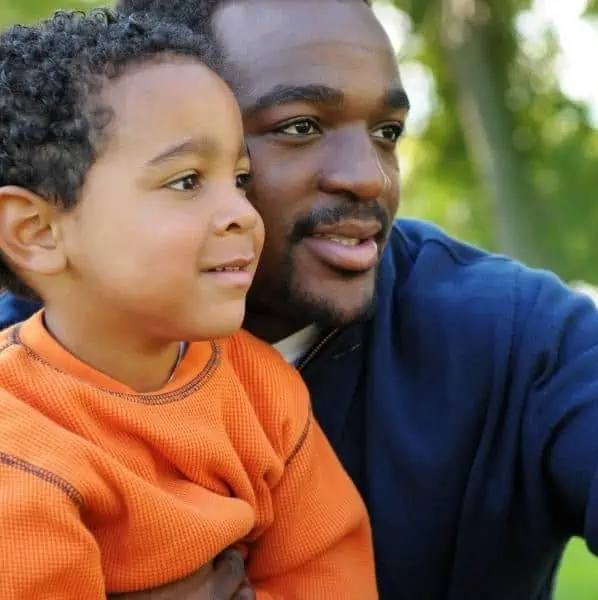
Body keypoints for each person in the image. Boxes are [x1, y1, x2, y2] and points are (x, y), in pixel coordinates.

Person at [6, 0, 598, 598]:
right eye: (298, 126)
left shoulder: (501, 331)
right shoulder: (28, 374)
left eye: (386, 131)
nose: (368, 177)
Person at [0, 9, 377, 599]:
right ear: (36, 231)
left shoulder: (260, 388)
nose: (242, 215)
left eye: (240, 179)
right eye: (186, 181)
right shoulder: (18, 447)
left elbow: (329, 573)